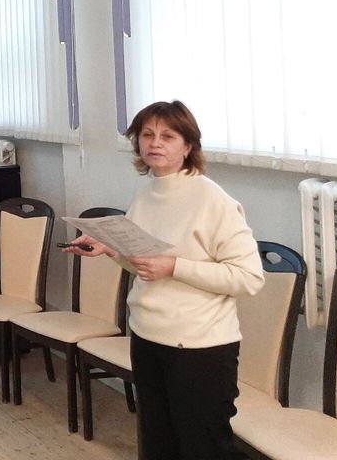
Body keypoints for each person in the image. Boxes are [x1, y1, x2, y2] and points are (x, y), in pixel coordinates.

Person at [65, 100, 264, 460]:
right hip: (147, 336)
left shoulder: (214, 201)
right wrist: (110, 249)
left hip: (199, 348)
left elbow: (249, 278)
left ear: (188, 146)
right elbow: (146, 264)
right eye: (147, 135)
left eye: (168, 136)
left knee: (201, 449)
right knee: (157, 444)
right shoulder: (147, 194)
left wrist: (175, 266)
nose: (155, 143)